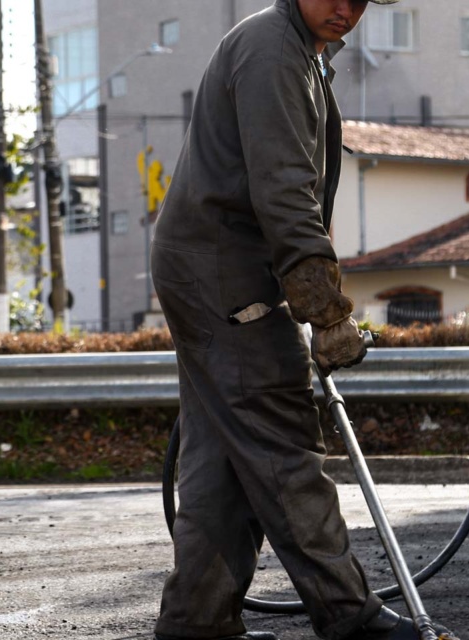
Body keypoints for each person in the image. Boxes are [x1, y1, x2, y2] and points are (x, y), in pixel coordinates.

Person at [150, 1, 453, 639]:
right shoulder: (272, 51)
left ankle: (196, 620)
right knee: (280, 437)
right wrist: (326, 310)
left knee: (223, 456)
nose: (346, 7)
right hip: (222, 269)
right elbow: (285, 187)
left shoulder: (300, 52)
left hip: (212, 262)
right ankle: (350, 616)